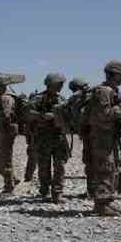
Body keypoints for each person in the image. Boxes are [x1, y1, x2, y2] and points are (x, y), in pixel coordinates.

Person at [87, 60, 121, 216]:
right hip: (102, 135)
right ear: (112, 74)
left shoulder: (112, 91)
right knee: (104, 168)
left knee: (111, 168)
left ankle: (106, 201)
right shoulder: (104, 91)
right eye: (120, 75)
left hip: (109, 135)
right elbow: (103, 115)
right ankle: (101, 204)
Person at [27, 73, 69, 203]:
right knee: (44, 166)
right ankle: (44, 189)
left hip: (59, 137)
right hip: (43, 137)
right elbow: (28, 112)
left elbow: (68, 115)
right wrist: (43, 116)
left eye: (62, 84)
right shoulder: (38, 98)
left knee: (60, 166)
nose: (61, 87)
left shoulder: (62, 99)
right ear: (50, 84)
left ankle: (57, 193)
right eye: (59, 84)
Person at [65, 78, 92, 197]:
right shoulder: (95, 94)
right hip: (96, 133)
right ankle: (95, 191)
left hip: (89, 134)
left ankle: (94, 191)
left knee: (91, 162)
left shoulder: (76, 98)